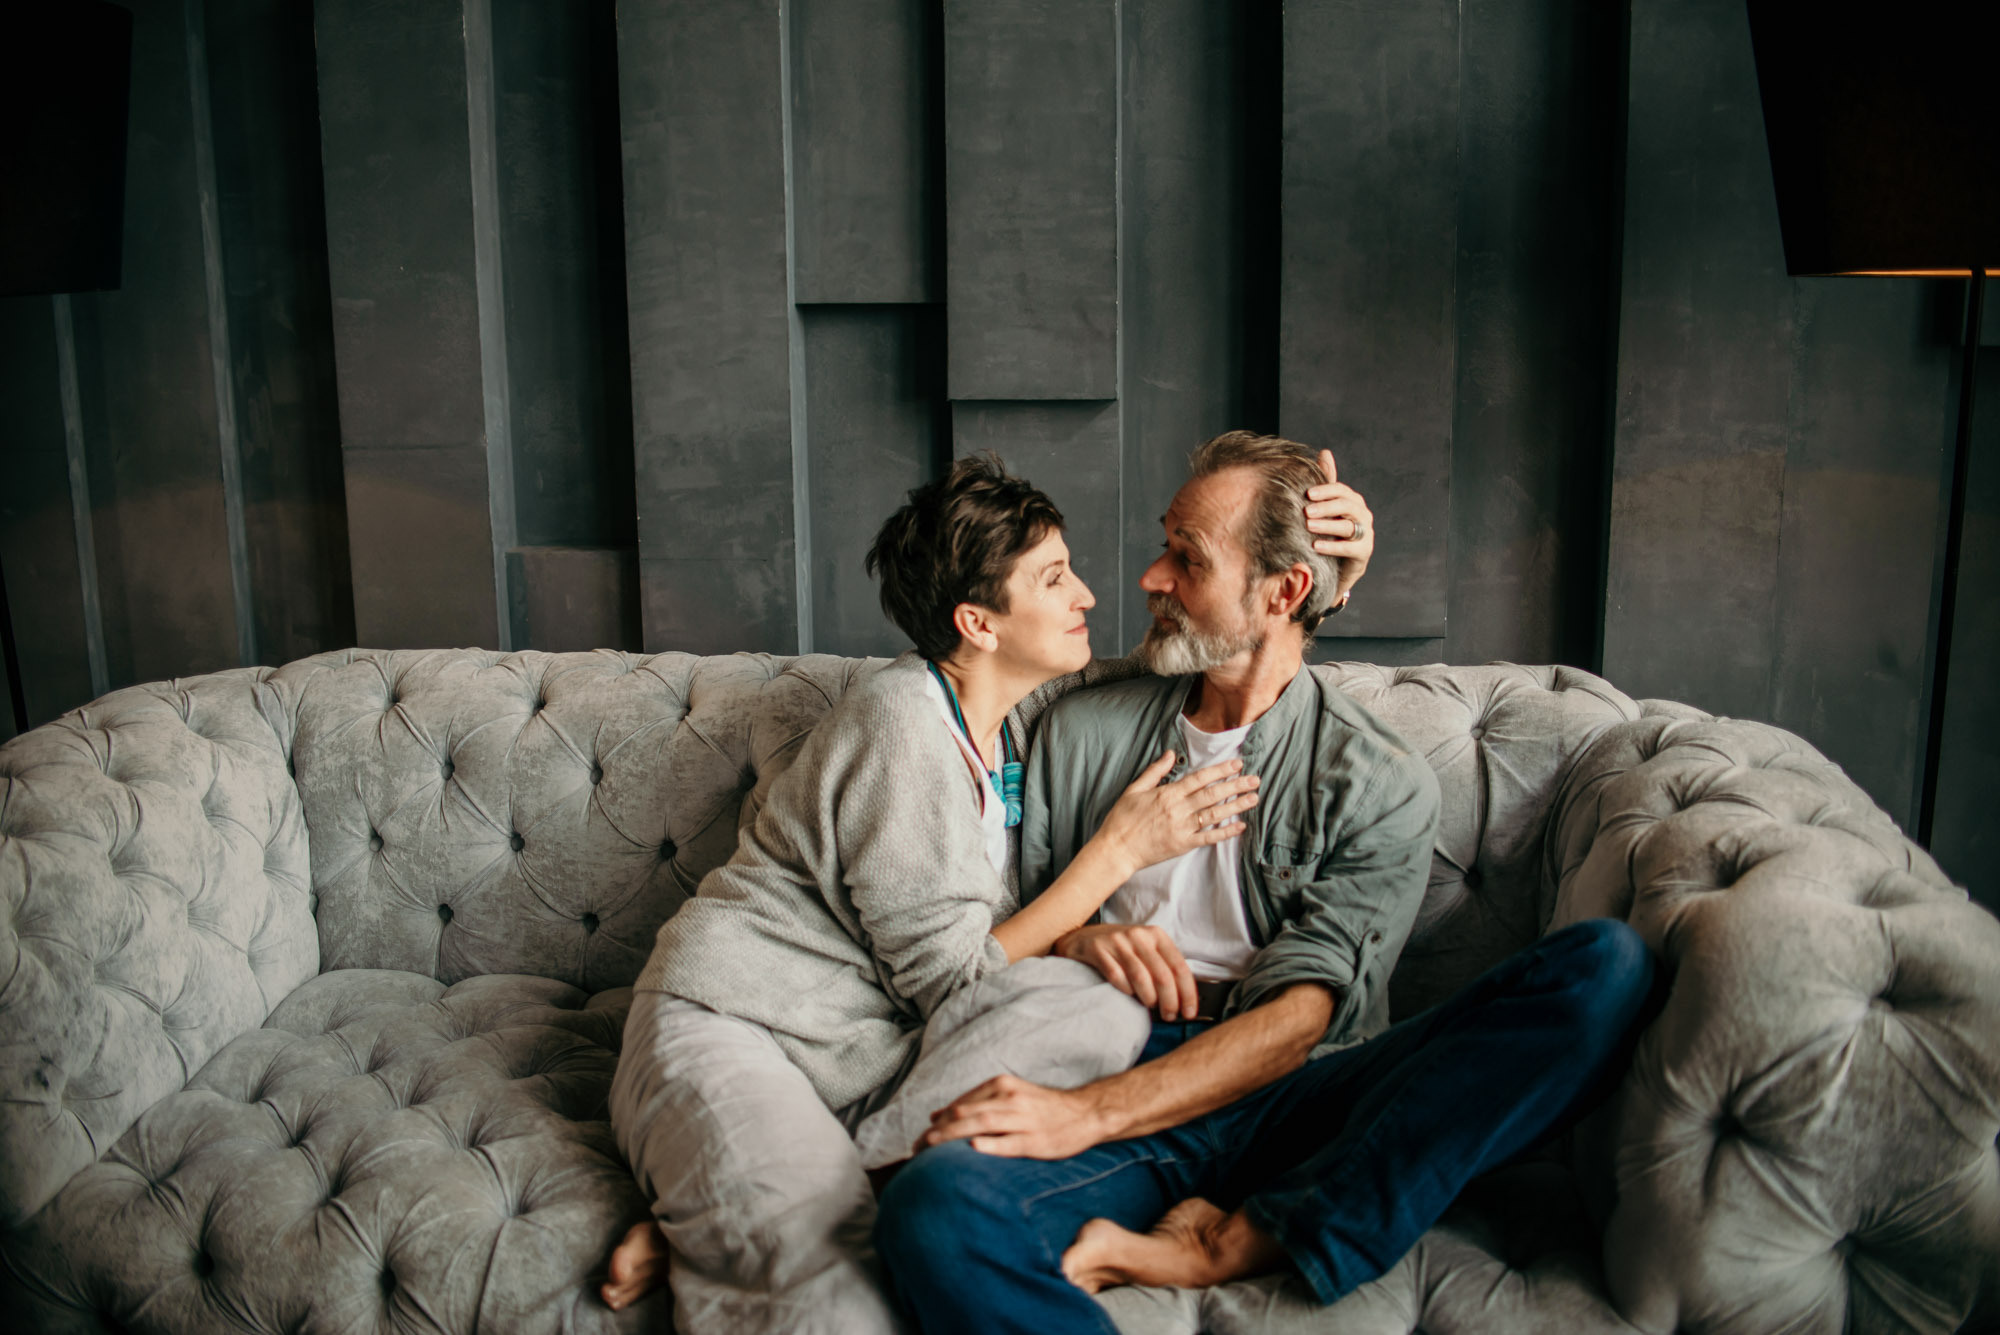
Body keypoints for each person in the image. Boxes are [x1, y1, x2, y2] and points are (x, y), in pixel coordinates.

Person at [872, 432, 1659, 1332]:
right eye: (1165, 544)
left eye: (1188, 557)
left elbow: (1302, 1017)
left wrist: (1083, 1117)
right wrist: (1081, 936)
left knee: (1605, 968)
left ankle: (1246, 1237)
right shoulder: (1080, 725)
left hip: (1299, 1096)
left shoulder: (1377, 775)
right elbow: (974, 727)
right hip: (1112, 1053)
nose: (1150, 577)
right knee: (935, 1206)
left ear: (1284, 591)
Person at [601, 455, 1267, 1333]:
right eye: (1054, 578)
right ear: (977, 623)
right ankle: (746, 1201)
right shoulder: (902, 723)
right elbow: (954, 983)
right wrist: (1118, 853)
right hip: (738, 1023)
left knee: (1101, 1007)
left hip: (867, 1062)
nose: (1086, 595)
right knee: (839, 1289)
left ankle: (722, 1211)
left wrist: (1338, 569)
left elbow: (1167, 661)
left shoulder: (1009, 714)